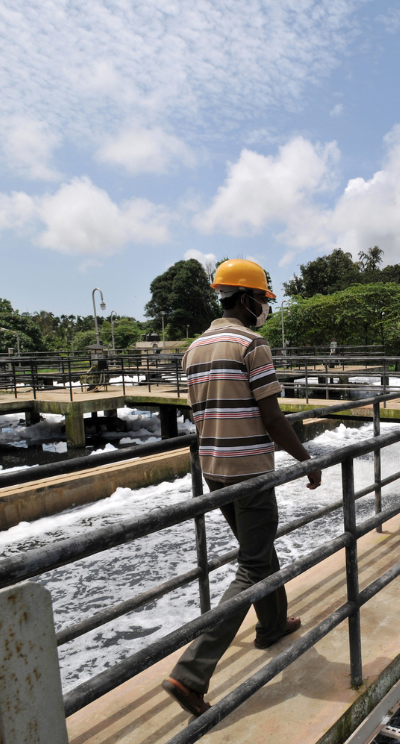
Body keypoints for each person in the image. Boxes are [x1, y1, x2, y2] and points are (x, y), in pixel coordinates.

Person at [161, 259, 322, 717]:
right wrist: (307, 460)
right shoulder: (253, 344)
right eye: (264, 300)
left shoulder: (194, 349)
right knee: (253, 565)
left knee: (258, 550)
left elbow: (200, 413)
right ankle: (190, 675)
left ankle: (271, 624)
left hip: (213, 469)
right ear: (248, 298)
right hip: (250, 469)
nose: (265, 308)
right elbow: (272, 417)